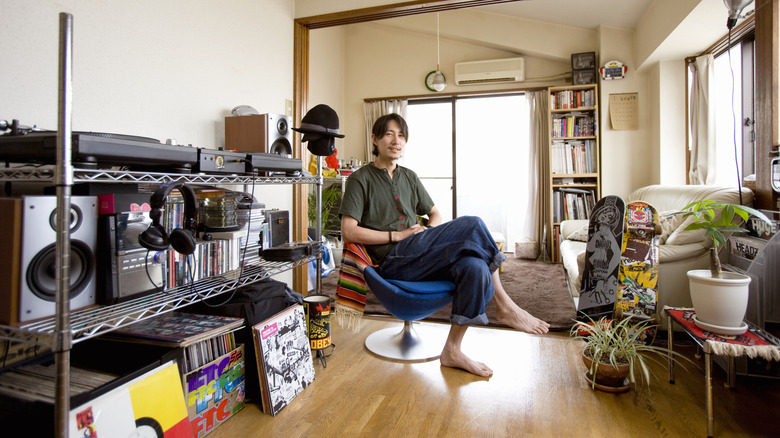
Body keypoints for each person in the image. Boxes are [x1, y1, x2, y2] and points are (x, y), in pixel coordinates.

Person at [339, 113, 549, 377]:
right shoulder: (361, 179)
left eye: (401, 135)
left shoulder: (410, 177)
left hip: (418, 251)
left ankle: (452, 350)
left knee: (474, 266)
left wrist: (426, 231)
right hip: (392, 261)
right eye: (389, 134)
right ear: (375, 139)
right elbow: (348, 230)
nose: (396, 141)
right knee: (472, 224)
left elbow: (435, 214)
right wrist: (398, 236)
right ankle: (505, 305)